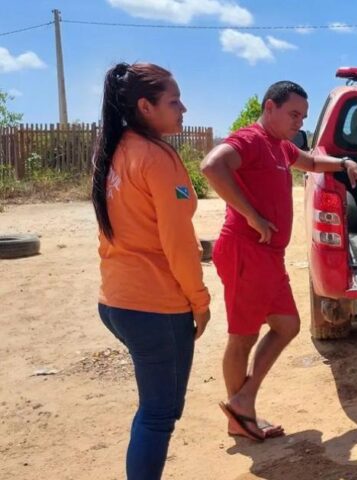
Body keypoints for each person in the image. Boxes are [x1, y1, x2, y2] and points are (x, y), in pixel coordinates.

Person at [201, 81, 357, 441]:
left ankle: (242, 402)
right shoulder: (251, 139)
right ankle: (241, 413)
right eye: (293, 114)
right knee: (242, 336)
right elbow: (212, 167)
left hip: (268, 257)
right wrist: (250, 216)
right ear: (270, 107)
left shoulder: (279, 146)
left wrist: (345, 162)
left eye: (303, 117)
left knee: (287, 325)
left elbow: (308, 161)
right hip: (246, 251)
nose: (298, 122)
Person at [91, 62, 211, 479]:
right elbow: (177, 242)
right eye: (174, 101)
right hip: (155, 307)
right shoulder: (158, 156)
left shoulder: (113, 150)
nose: (184, 109)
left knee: (154, 410)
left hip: (116, 302)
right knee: (159, 416)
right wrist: (200, 300)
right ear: (145, 106)